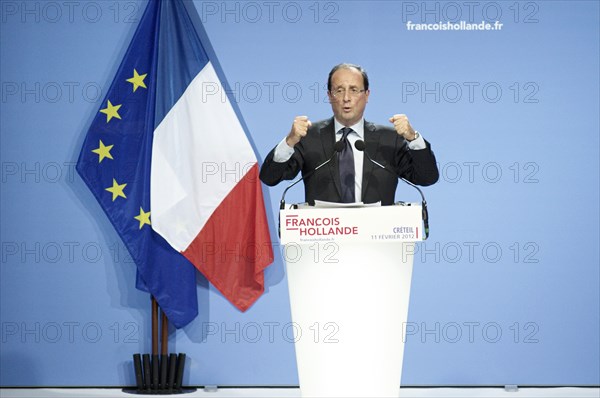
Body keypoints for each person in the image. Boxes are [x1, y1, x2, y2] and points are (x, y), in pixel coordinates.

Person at [259, 63, 439, 205]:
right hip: (323, 242)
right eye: (339, 90)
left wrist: (413, 138)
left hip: (379, 240)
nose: (346, 98)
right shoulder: (309, 136)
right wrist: (290, 141)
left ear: (367, 95)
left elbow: (427, 177)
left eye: (354, 90)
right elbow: (270, 177)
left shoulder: (389, 139)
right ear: (329, 95)